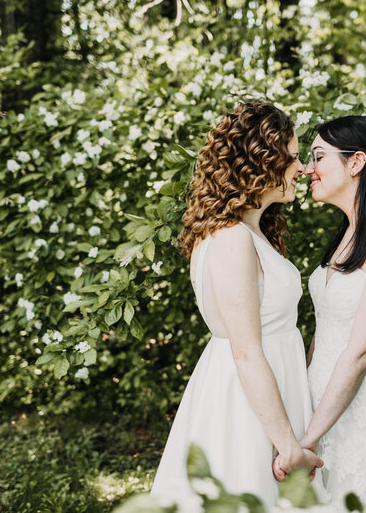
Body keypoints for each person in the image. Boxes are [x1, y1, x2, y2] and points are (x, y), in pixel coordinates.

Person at [150, 102, 322, 508]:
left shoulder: (250, 231)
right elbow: (245, 351)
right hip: (247, 403)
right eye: (293, 157)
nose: (301, 168)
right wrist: (287, 446)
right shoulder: (231, 239)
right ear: (262, 161)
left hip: (272, 388)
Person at [274, 115, 366, 510]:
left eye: (318, 156)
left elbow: (360, 351)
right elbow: (324, 335)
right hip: (319, 408)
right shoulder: (346, 235)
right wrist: (302, 416)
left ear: (356, 162)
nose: (307, 168)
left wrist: (308, 441)